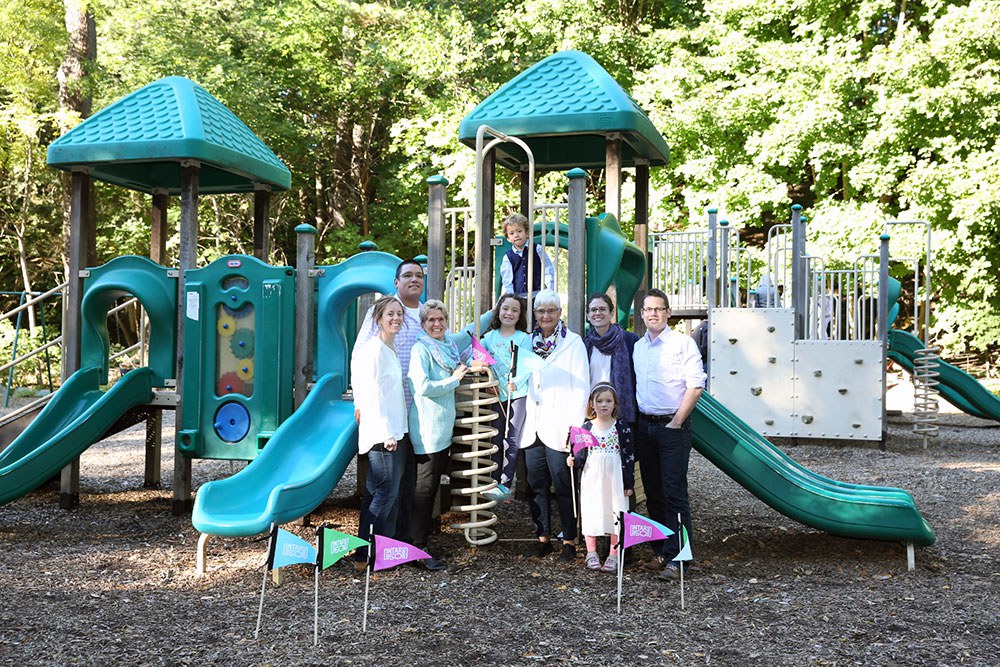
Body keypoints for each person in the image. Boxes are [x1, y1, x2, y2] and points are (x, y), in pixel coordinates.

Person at [632, 288, 706, 581]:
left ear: (668, 313)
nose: (653, 314)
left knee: (675, 493)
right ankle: (663, 550)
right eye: (648, 309)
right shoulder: (639, 347)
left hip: (672, 427)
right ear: (642, 314)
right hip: (645, 426)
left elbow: (696, 384)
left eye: (658, 309)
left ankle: (681, 559)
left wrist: (676, 422)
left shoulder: (682, 343)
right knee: (654, 493)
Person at [519, 290, 590, 561]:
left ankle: (570, 540)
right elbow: (523, 377)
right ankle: (542, 537)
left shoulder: (573, 343)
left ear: (559, 313)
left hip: (560, 425)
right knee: (536, 484)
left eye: (551, 310)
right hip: (533, 426)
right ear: (534, 315)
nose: (545, 316)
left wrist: (575, 430)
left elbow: (582, 388)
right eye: (540, 311)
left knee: (563, 485)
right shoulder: (528, 343)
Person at [406, 300, 471, 571]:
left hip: (444, 429)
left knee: (432, 486)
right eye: (431, 320)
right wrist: (455, 379)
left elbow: (470, 330)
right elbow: (422, 387)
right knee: (425, 489)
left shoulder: (449, 346)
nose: (437, 324)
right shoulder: (421, 349)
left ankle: (423, 539)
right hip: (428, 429)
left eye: (441, 319)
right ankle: (416, 548)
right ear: (423, 325)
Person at [350, 296, 409, 569]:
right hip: (381, 434)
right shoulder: (374, 349)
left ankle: (363, 555)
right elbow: (371, 392)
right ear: (378, 319)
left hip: (394, 430)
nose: (396, 318)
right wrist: (386, 433)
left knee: (374, 493)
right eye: (390, 315)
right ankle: (371, 551)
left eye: (399, 314)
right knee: (385, 492)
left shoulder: (391, 349)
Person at [568, 383, 634, 573]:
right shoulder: (586, 427)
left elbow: (629, 456)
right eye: (599, 401)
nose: (604, 405)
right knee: (592, 509)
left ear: (615, 404)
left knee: (615, 511)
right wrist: (573, 460)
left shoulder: (622, 427)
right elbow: (580, 454)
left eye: (608, 401)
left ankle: (614, 554)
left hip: (615, 477)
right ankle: (591, 552)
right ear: (592, 404)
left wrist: (628, 483)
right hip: (592, 477)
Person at [480, 293, 541, 499]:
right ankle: (494, 479)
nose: (509, 313)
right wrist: (488, 381)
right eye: (506, 308)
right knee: (496, 437)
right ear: (499, 311)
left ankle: (506, 482)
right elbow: (479, 358)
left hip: (518, 394)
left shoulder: (524, 338)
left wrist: (518, 382)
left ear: (520, 315)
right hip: (497, 394)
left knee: (512, 438)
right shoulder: (489, 338)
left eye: (515, 310)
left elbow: (527, 365)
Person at [583, 292, 639, 425]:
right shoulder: (584, 345)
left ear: (611, 313)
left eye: (602, 309)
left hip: (620, 413)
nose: (598, 313)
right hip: (592, 413)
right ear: (588, 316)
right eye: (593, 310)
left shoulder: (630, 341)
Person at [499, 213, 556, 297]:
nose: (516, 235)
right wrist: (510, 298)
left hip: (538, 294)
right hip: (518, 297)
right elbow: (507, 282)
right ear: (508, 238)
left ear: (526, 232)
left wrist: (550, 292)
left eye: (519, 231)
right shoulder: (508, 257)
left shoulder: (537, 249)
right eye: (511, 233)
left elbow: (548, 271)